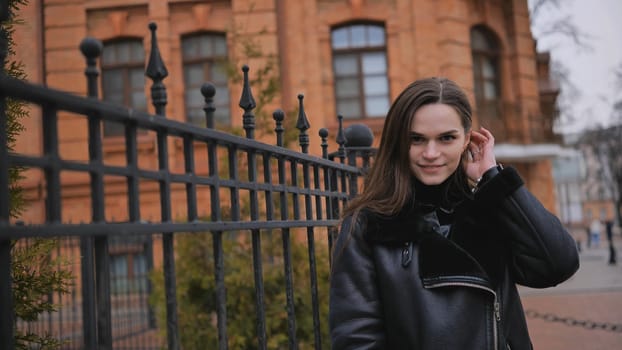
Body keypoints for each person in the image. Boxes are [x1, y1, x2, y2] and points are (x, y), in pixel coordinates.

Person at [329, 77, 580, 350]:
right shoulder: (367, 226)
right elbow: (357, 340)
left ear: (466, 140)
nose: (431, 153)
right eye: (416, 139)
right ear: (399, 143)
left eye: (446, 138)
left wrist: (493, 178)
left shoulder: (487, 209)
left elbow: (557, 264)